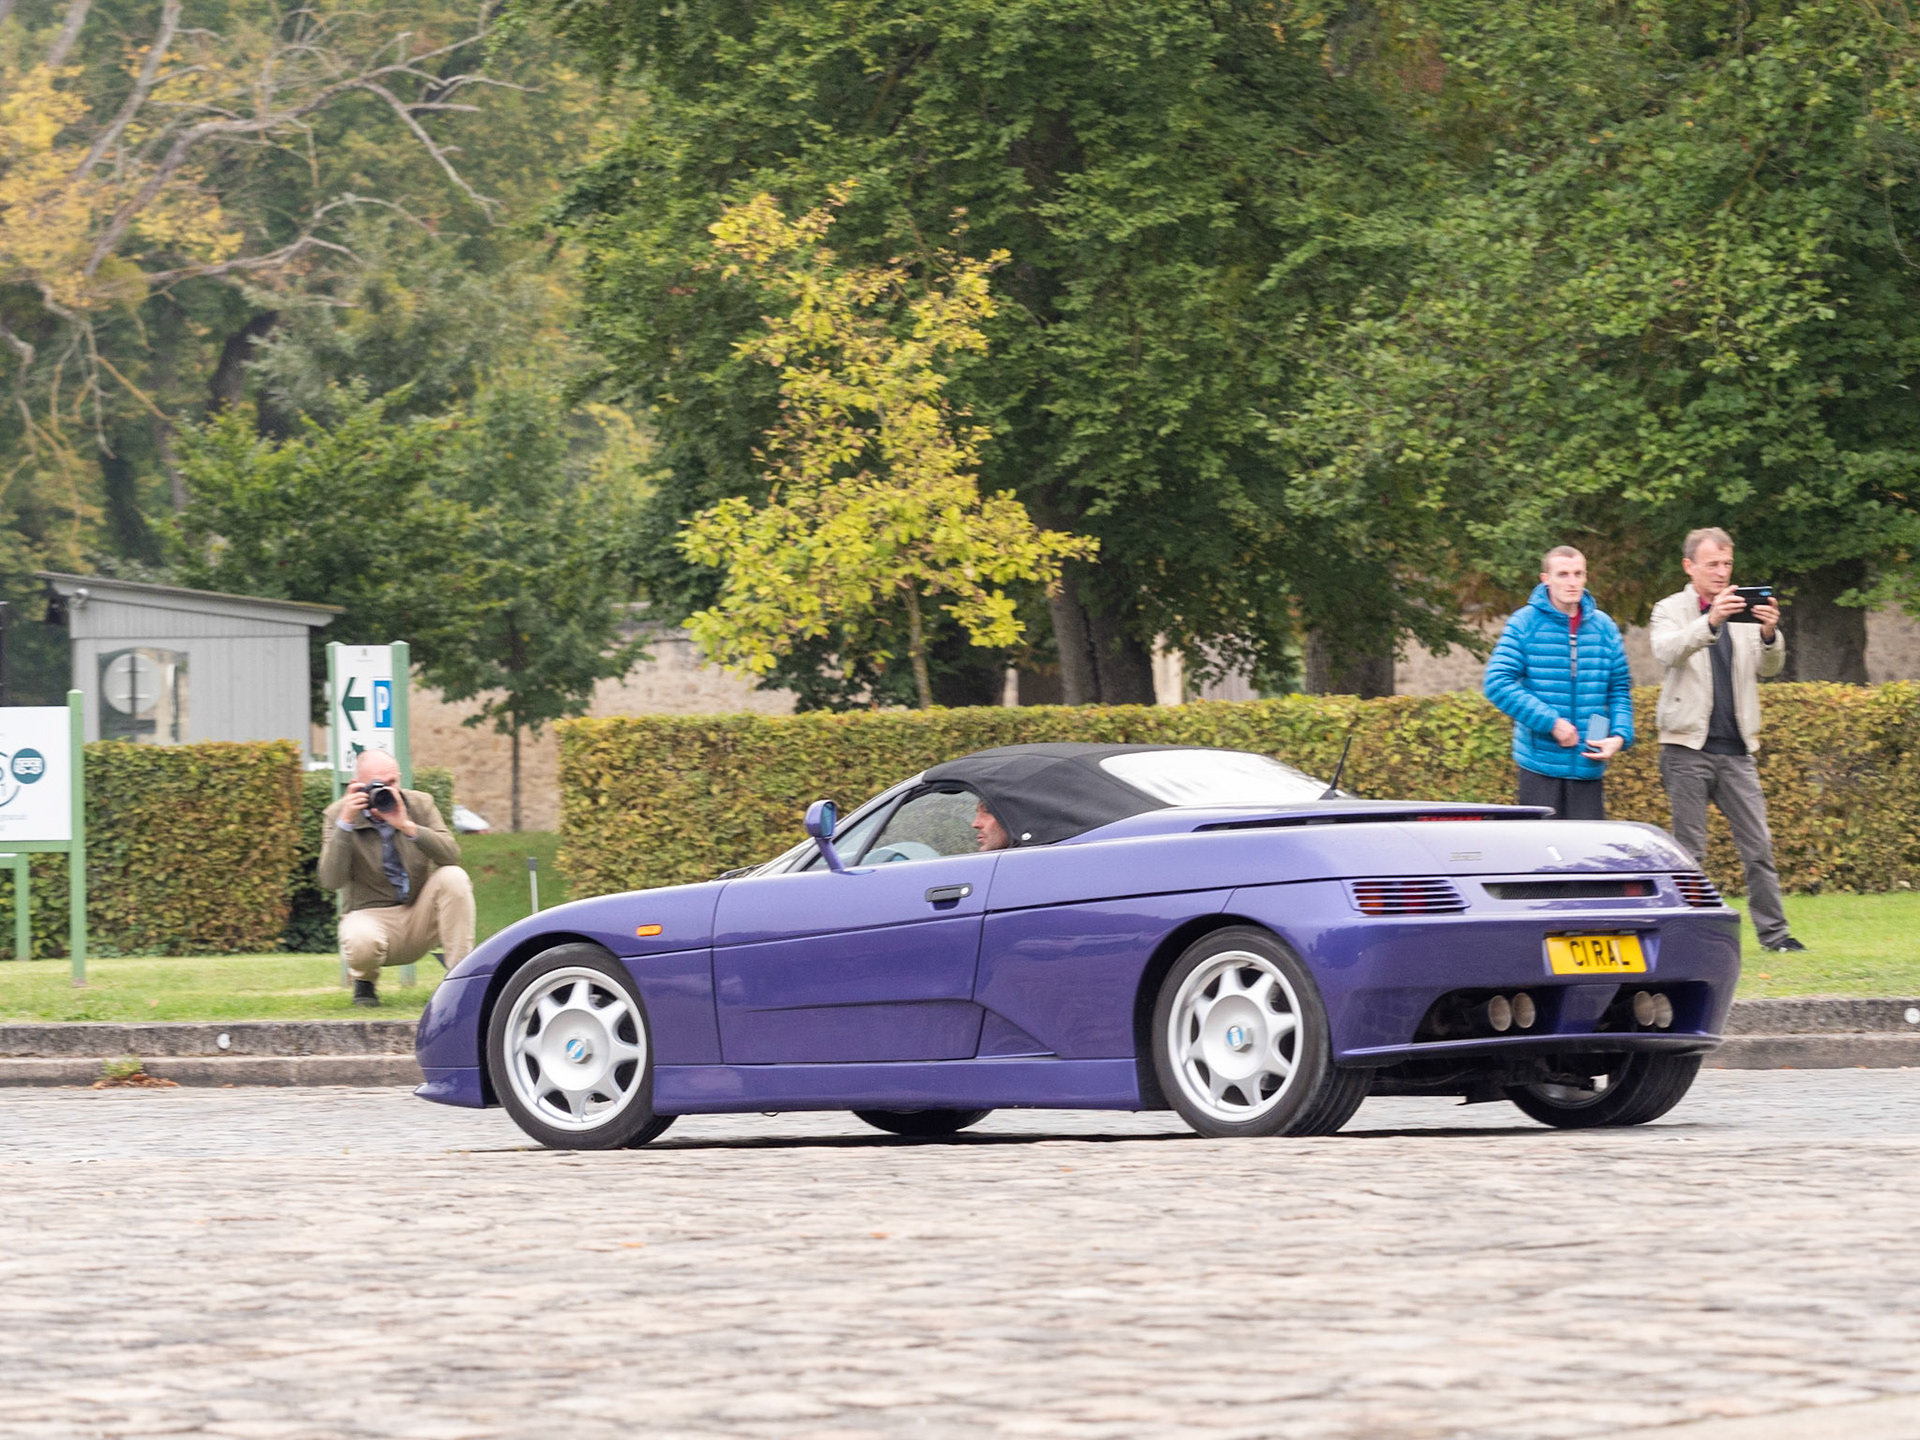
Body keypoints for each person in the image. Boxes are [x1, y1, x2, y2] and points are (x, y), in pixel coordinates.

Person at [1650, 527, 1804, 953]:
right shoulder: (1669, 609)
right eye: (1712, 564)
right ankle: (1686, 938)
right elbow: (1668, 652)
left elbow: (1768, 667)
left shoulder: (1744, 612)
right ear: (1690, 567)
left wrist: (1771, 634)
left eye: (1727, 564)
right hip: (1686, 748)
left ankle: (1776, 937)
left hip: (1737, 751)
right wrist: (1711, 620)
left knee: (1758, 850)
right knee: (1690, 853)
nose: (1722, 573)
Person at [1483, 546, 1635, 819]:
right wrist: (1551, 722)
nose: (1572, 581)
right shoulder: (1525, 623)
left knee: (1587, 856)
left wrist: (1620, 736)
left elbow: (1619, 688)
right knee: (1543, 854)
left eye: (1578, 574)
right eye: (1563, 574)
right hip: (1540, 763)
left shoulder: (1604, 627)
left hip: (1589, 763)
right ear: (1546, 579)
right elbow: (1497, 682)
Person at [318, 750, 476, 1007]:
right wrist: (345, 824)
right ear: (358, 786)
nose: (387, 792)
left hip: (418, 913)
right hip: (371, 917)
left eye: (392, 783)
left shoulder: (420, 804)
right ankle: (365, 982)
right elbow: (330, 880)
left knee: (454, 877)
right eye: (377, 786)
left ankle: (460, 981)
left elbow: (451, 856)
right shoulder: (338, 815)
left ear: (400, 779)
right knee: (359, 938)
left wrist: (406, 825)